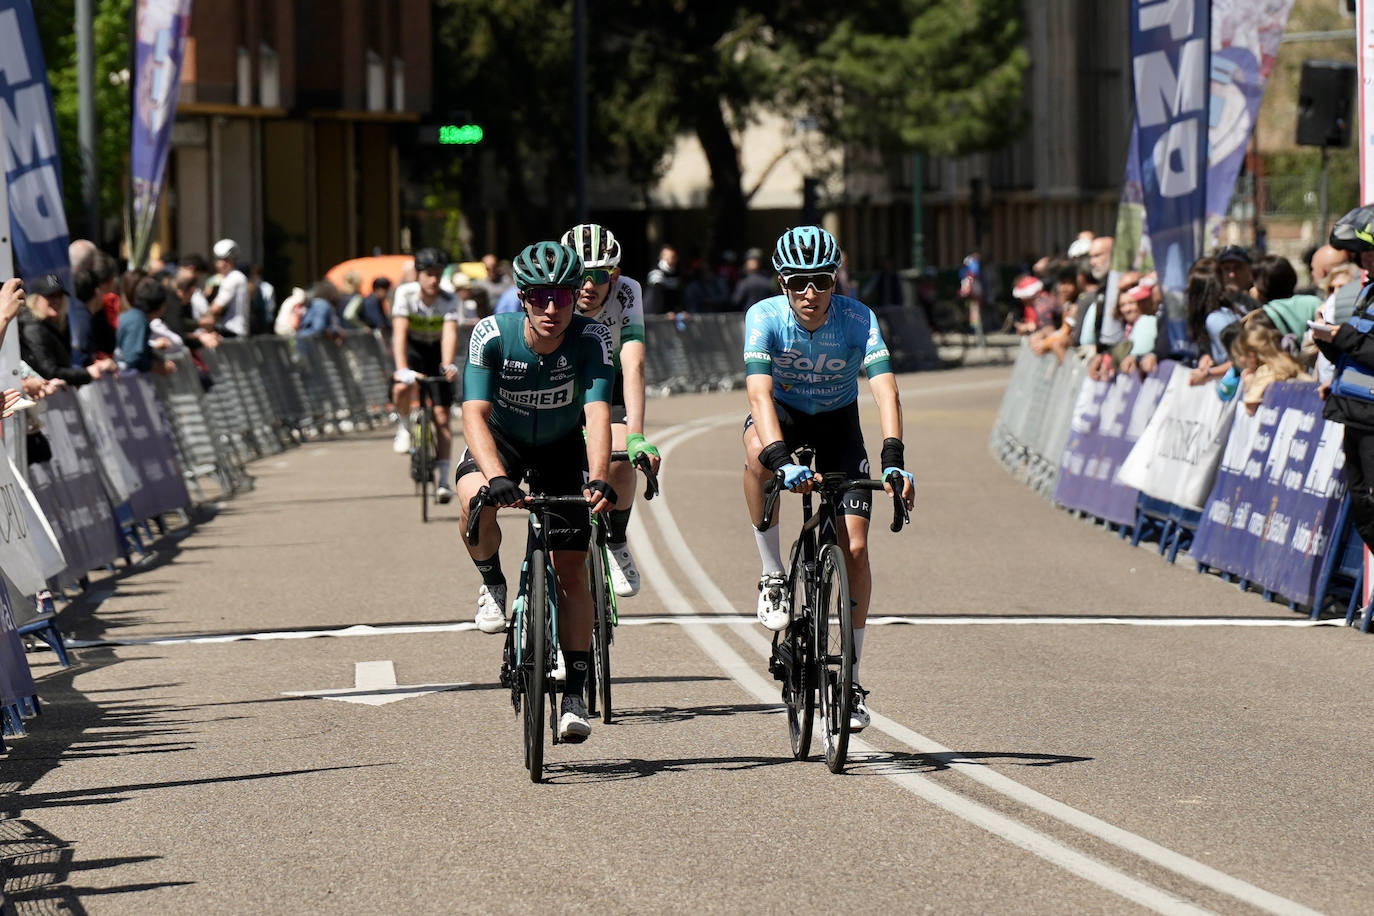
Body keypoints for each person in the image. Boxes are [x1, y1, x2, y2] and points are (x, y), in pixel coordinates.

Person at [741, 226, 916, 732]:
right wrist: (779, 457)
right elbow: (757, 393)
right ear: (782, 284)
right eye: (799, 283)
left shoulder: (858, 318)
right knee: (755, 459)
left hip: (840, 426)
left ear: (835, 280)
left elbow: (885, 389)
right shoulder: (765, 317)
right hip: (783, 418)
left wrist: (893, 456)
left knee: (856, 549)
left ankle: (853, 681)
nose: (811, 294)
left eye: (821, 281)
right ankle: (773, 571)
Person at [456, 241, 617, 742]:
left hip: (561, 447)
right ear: (523, 298)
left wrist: (598, 478)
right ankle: (492, 580)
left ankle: (574, 691)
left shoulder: (592, 338)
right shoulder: (493, 335)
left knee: (570, 566)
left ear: (576, 298)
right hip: (500, 443)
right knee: (474, 500)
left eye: (564, 298)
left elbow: (596, 413)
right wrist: (495, 476)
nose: (553, 309)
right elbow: (473, 413)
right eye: (541, 298)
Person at [561, 222, 664, 597]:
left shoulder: (627, 293)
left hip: (612, 379)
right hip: (565, 382)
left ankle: (617, 539)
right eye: (580, 275)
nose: (588, 286)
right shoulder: (555, 293)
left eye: (599, 275)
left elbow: (634, 364)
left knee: (618, 458)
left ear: (615, 275)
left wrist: (636, 435)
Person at [390, 248, 461, 503]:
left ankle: (443, 481)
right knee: (400, 388)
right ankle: (404, 426)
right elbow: (399, 333)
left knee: (442, 418)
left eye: (438, 275)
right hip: (413, 350)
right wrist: (401, 368)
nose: (434, 280)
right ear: (418, 275)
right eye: (429, 274)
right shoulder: (404, 294)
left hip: (435, 352)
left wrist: (447, 364)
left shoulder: (449, 298)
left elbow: (450, 333)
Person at [18, 274, 114, 387]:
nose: (56, 300)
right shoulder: (33, 328)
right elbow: (50, 372)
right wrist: (86, 373)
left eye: (59, 295)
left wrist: (95, 366)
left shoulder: (57, 322)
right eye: (50, 296)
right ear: (36, 299)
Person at [116, 278, 177, 374]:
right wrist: (157, 367)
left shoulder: (135, 317)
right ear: (161, 307)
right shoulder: (138, 321)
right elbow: (132, 358)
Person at [210, 239, 251, 336]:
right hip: (237, 331)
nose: (220, 264)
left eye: (225, 260)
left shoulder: (232, 278)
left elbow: (216, 308)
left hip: (231, 331)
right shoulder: (238, 277)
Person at [644, 245, 684, 317]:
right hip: (653, 315)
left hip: (670, 315)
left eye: (673, 257)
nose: (671, 260)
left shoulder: (676, 274)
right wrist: (663, 314)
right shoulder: (655, 272)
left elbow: (676, 297)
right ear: (661, 257)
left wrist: (679, 311)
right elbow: (657, 297)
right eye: (668, 257)